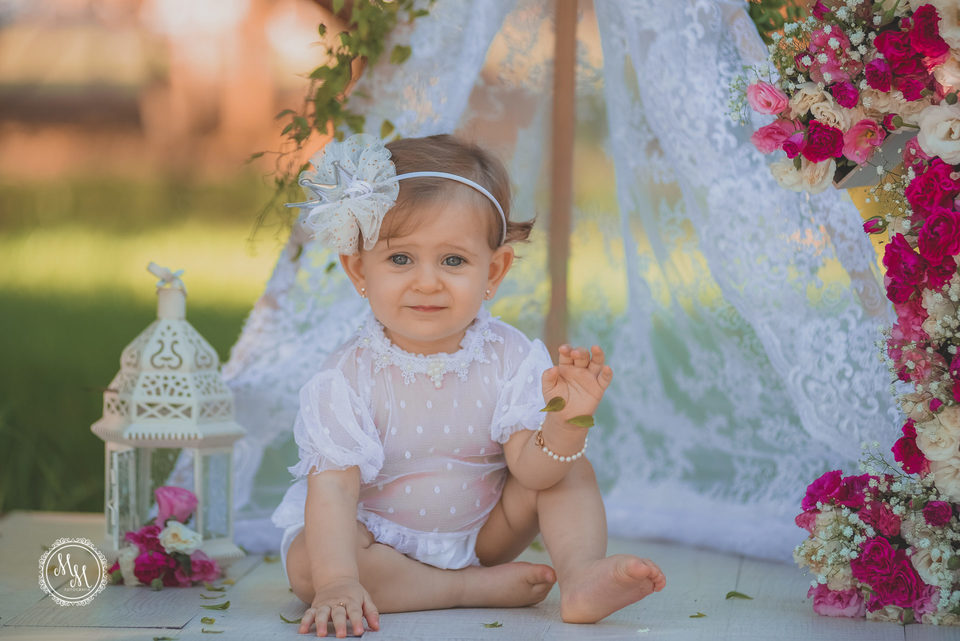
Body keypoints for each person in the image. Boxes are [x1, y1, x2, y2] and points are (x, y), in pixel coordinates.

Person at [271, 133, 666, 638]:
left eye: (453, 260)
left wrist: (565, 424)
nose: (428, 282)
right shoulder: (346, 376)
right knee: (311, 564)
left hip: (485, 536)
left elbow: (532, 470)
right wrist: (338, 582)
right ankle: (464, 590)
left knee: (569, 468)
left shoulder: (512, 356)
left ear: (493, 271)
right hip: (378, 545)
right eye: (400, 259)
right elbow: (332, 492)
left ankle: (582, 575)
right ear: (358, 270)